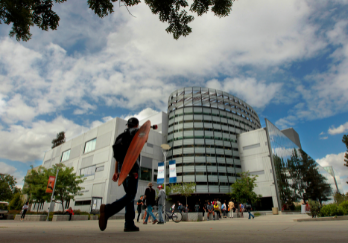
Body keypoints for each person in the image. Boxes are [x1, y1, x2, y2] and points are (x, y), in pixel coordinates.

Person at [99, 117, 142, 232]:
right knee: (131, 195)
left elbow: (117, 157)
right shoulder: (136, 133)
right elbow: (144, 138)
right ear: (137, 125)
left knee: (129, 196)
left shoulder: (121, 137)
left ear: (127, 125)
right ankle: (108, 209)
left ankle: (129, 223)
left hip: (122, 170)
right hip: (132, 168)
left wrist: (116, 172)